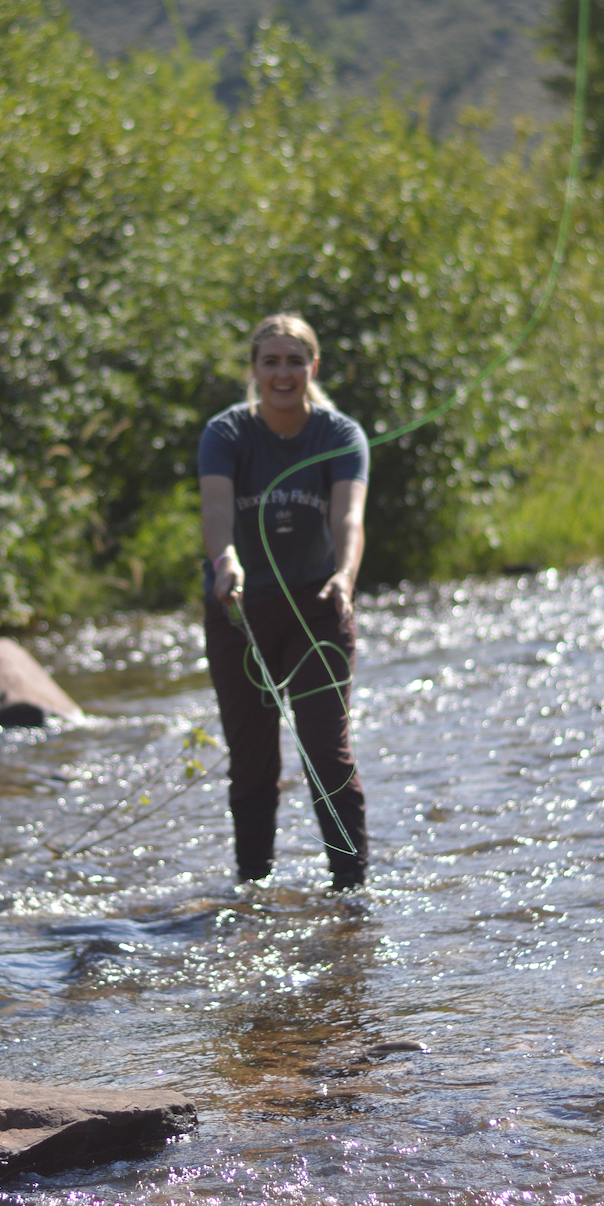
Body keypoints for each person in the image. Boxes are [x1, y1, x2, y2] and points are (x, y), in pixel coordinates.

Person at [198, 314, 370, 890]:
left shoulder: (340, 435)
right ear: (253, 370)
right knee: (252, 764)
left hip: (319, 608)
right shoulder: (225, 435)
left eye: (294, 361)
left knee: (326, 754)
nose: (282, 373)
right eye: (270, 361)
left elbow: (349, 516)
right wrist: (226, 561)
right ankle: (253, 890)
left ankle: (350, 891)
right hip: (238, 614)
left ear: (312, 368)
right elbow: (217, 513)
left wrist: (345, 577)